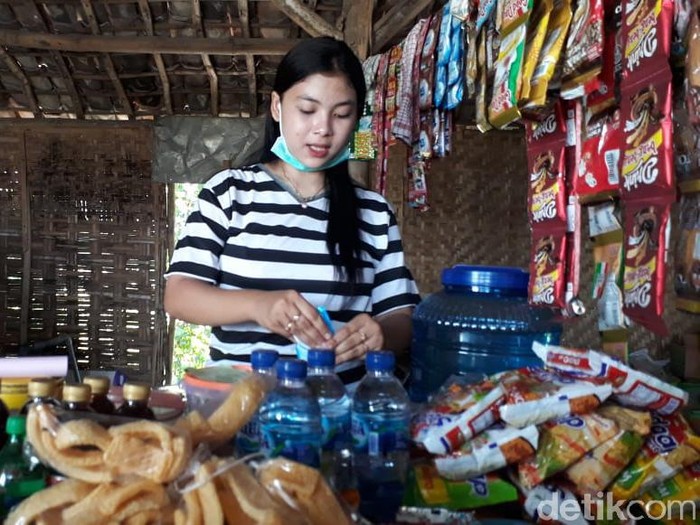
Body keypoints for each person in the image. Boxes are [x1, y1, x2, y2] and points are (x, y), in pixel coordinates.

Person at [164, 37, 420, 384]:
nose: (323, 129)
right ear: (277, 107)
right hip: (240, 409)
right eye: (307, 109)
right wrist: (258, 306)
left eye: (342, 114)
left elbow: (401, 316)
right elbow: (178, 295)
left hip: (339, 413)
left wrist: (380, 334)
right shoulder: (229, 193)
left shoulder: (374, 214)